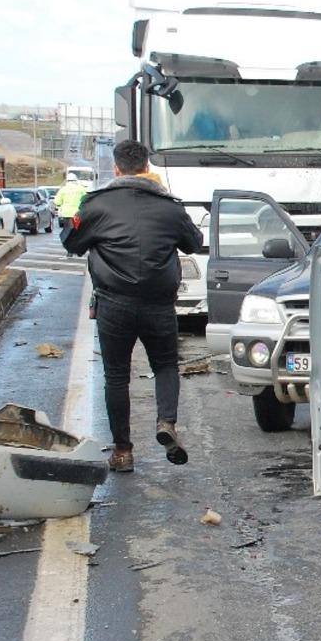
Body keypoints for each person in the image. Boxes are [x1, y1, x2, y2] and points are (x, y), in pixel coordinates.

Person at [64, 140, 203, 471]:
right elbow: (195, 242)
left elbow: (71, 240)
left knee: (115, 376)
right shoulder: (170, 207)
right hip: (159, 306)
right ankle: (165, 422)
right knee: (166, 365)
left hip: (114, 304)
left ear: (115, 169)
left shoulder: (96, 205)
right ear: (147, 168)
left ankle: (123, 452)